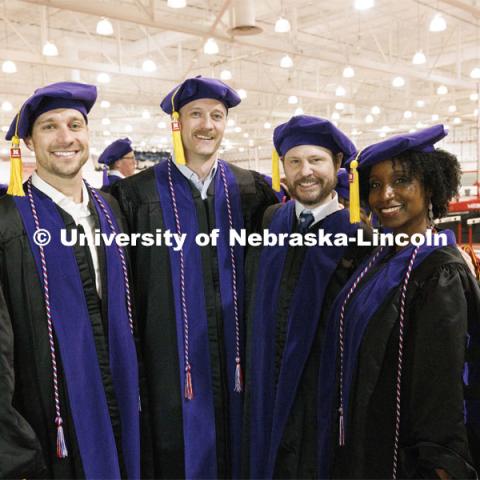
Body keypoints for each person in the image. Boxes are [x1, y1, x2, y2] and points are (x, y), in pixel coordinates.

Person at [111, 75, 278, 479]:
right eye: (196, 114)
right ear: (178, 123)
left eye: (217, 116)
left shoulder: (252, 190)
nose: (207, 125)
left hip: (240, 363)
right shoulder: (135, 196)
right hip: (168, 365)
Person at [317, 125, 480, 478]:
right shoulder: (380, 259)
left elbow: (444, 382)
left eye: (402, 181)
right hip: (366, 435)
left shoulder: (439, 271)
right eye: (375, 185)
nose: (385, 194)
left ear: (431, 186)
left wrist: (441, 460)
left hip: (404, 454)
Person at [0, 82, 143, 479]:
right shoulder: (7, 222)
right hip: (48, 415)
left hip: (118, 402)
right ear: (28, 141)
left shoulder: (111, 209)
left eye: (75, 125)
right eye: (49, 127)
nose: (66, 138)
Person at [243, 115, 372, 479]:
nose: (305, 172)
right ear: (282, 167)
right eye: (294, 162)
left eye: (316, 160)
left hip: (322, 392)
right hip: (269, 381)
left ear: (336, 164)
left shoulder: (357, 233)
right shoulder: (272, 220)